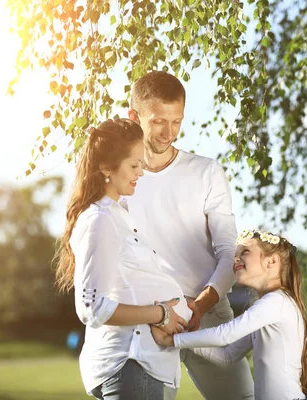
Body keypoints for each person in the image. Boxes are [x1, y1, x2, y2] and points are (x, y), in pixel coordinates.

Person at [127, 71, 254, 399]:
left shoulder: (206, 171)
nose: (168, 133)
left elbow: (229, 252)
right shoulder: (118, 180)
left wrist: (199, 305)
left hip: (208, 313)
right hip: (149, 320)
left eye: (176, 121)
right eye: (158, 121)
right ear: (133, 117)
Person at [54, 117, 193, 400]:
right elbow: (92, 308)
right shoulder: (100, 220)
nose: (140, 172)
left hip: (143, 366)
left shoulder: (120, 215)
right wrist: (161, 314)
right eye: (133, 165)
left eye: (141, 163)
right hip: (131, 365)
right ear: (106, 167)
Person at [152, 230, 307, 400]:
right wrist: (184, 338)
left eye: (245, 252)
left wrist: (173, 340)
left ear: (272, 260)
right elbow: (228, 355)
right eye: (235, 254)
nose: (236, 258)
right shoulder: (270, 305)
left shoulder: (277, 301)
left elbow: (226, 334)